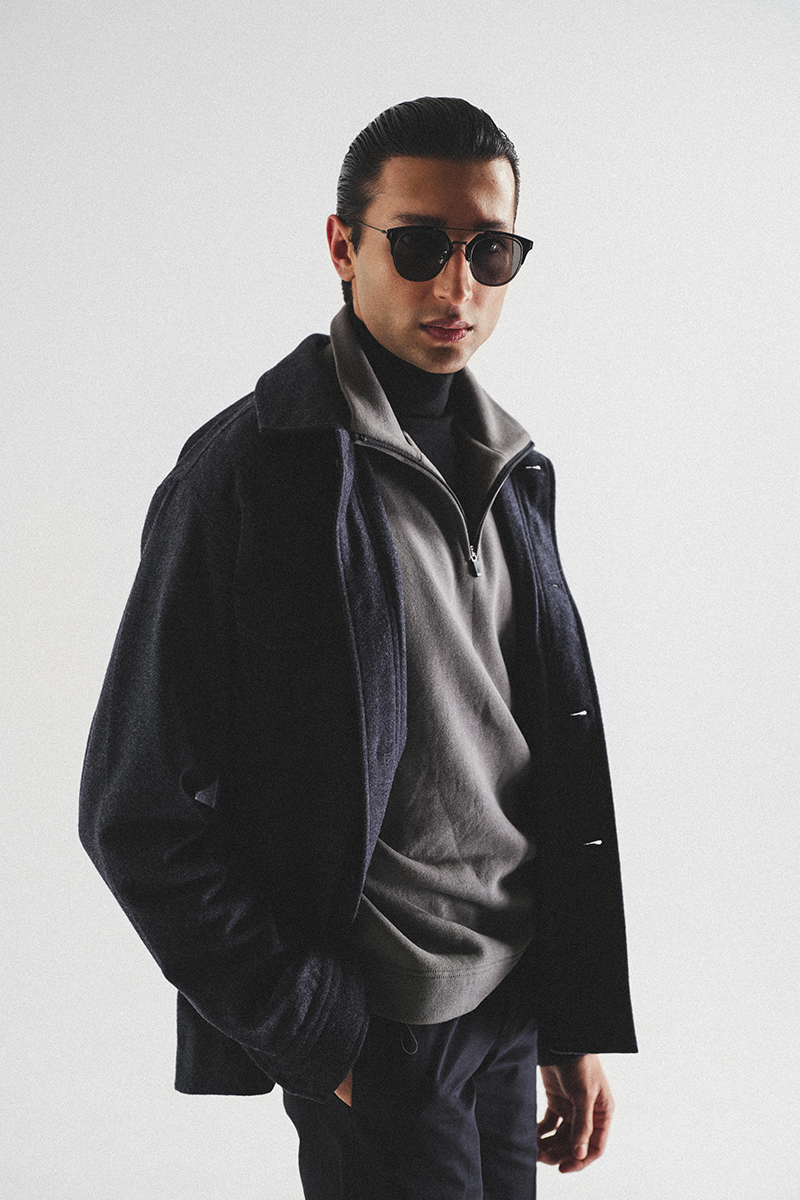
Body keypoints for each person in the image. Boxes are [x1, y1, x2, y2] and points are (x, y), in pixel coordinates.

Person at [79, 97, 636, 1199]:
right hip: (383, 1029)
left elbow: (526, 760)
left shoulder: (514, 467)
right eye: (419, 244)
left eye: (490, 250)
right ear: (343, 246)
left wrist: (567, 1016)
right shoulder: (250, 474)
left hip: (510, 1003)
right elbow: (135, 809)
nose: (457, 284)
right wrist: (314, 1031)